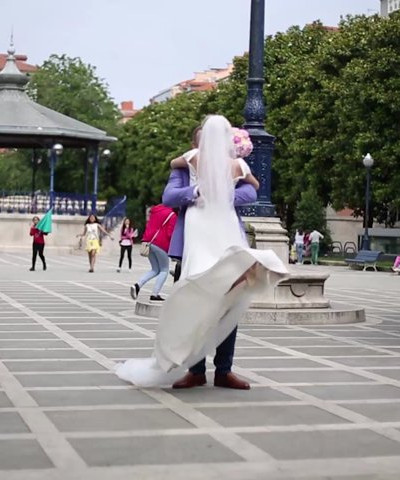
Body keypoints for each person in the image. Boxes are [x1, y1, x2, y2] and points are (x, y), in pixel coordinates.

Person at [116, 115, 288, 390]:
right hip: (193, 242)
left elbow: (251, 194)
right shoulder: (185, 167)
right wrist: (197, 191)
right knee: (192, 303)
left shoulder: (228, 165)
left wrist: (223, 195)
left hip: (225, 237)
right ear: (196, 143)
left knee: (229, 301)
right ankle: (195, 369)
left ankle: (224, 369)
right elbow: (169, 197)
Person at [130, 205, 176, 302]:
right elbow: (169, 234)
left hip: (148, 242)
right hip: (161, 244)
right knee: (164, 270)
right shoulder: (172, 214)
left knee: (155, 269)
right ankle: (155, 294)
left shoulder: (155, 211)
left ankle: (137, 285)